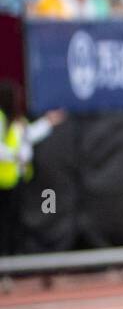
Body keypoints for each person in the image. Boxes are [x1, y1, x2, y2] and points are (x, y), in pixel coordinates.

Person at [0, 80, 64, 257]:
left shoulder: (17, 121)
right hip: (3, 181)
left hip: (16, 180)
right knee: (5, 223)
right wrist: (16, 156)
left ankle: (14, 257)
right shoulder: (0, 118)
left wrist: (48, 122)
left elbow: (28, 135)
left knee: (15, 222)